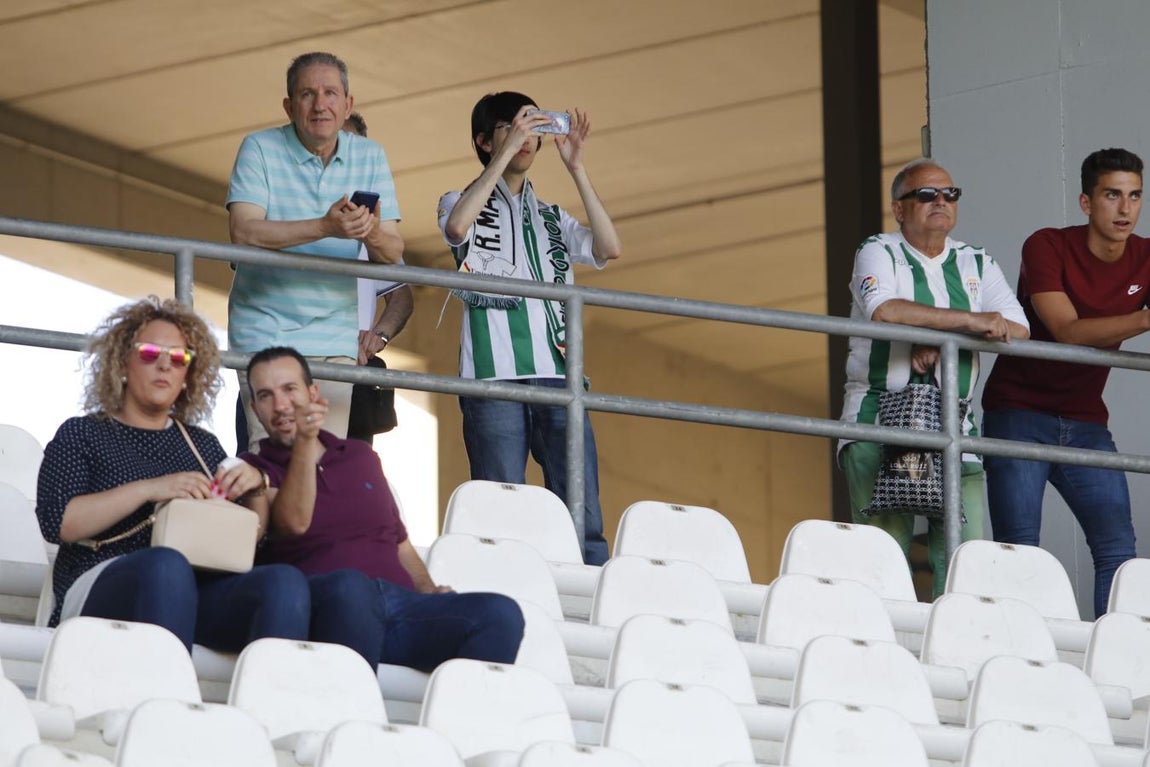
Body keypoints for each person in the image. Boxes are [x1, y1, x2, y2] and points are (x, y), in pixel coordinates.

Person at [35, 298, 381, 665]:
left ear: (188, 374)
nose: (165, 364)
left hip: (196, 587)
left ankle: (272, 708)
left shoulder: (202, 445)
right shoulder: (82, 433)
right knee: (165, 566)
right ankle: (170, 698)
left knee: (282, 582)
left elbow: (250, 540)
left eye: (180, 357)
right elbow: (61, 524)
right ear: (122, 361)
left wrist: (257, 488)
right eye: (150, 352)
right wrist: (151, 489)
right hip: (100, 580)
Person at [242, 347, 525, 672]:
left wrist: (429, 590)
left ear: (313, 393)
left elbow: (399, 542)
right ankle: (353, 713)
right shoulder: (254, 471)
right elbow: (292, 522)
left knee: (500, 614)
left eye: (290, 389)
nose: (280, 405)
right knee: (352, 588)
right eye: (265, 396)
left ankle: (453, 721)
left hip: (400, 608)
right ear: (255, 409)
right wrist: (306, 442)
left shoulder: (359, 456)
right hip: (328, 609)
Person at [438, 92, 622, 566]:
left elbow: (609, 246)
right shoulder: (459, 199)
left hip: (561, 376)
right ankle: (507, 588)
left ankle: (586, 605)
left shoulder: (552, 215)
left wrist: (577, 167)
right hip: (492, 378)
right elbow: (458, 228)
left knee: (581, 510)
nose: (524, 135)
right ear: (483, 140)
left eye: (531, 126)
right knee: (502, 508)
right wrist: (502, 158)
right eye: (510, 126)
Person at [838, 158, 1029, 597]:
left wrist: (941, 334)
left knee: (969, 563)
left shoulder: (975, 260)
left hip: (957, 428)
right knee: (882, 562)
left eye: (950, 194)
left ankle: (959, 649)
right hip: (878, 424)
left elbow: (1017, 327)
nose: (940, 201)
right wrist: (968, 322)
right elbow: (885, 310)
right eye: (925, 195)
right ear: (899, 209)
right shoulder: (878, 250)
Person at [982, 148, 1150, 617]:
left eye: (1135, 196)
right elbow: (1067, 331)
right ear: (1085, 202)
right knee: (1019, 549)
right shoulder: (1047, 244)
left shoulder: (1146, 255)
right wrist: (1143, 319)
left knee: (1118, 548)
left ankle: (1115, 656)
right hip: (1017, 413)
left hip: (1086, 420)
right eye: (1112, 195)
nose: (1125, 208)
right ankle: (1020, 655)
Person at [226, 52, 404, 451]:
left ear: (348, 105)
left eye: (330, 93)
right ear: (289, 107)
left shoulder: (370, 155)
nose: (320, 104)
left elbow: (392, 250)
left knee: (324, 461)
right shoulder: (259, 147)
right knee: (269, 458)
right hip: (264, 331)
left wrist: (369, 232)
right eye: (307, 94)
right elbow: (243, 232)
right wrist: (325, 227)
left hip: (335, 339)